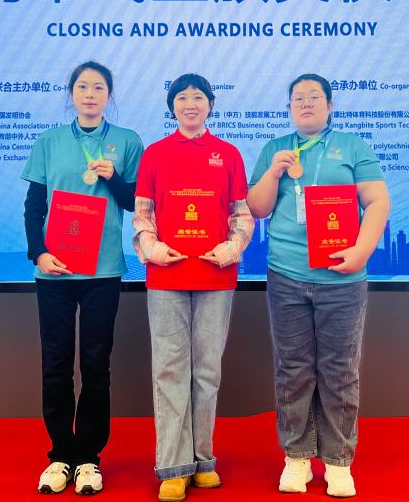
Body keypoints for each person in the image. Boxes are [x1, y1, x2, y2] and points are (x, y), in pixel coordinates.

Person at [246, 74, 390, 498]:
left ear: (330, 105)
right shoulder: (275, 148)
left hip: (342, 279)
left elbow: (377, 201)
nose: (306, 103)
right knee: (292, 369)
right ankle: (296, 457)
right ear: (289, 107)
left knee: (339, 370)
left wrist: (362, 251)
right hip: (287, 275)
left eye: (314, 97)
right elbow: (257, 208)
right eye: (298, 99)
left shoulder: (353, 147)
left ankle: (339, 461)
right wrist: (274, 172)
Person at [21, 61, 144, 495]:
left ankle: (89, 457)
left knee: (95, 364)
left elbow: (136, 201)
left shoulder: (127, 141)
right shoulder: (49, 141)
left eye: (98, 87)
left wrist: (115, 180)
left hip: (103, 270)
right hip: (55, 270)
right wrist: (38, 253)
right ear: (71, 93)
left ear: (109, 95)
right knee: (55, 365)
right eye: (82, 87)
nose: (90, 94)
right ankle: (60, 455)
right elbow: (34, 206)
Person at [132, 73, 254, 502]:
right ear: (172, 107)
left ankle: (203, 460)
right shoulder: (155, 154)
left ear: (210, 105)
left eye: (198, 97)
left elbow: (242, 216)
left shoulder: (228, 154)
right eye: (182, 97)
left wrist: (230, 248)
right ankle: (173, 465)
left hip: (215, 276)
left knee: (207, 371)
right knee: (169, 370)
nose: (190, 104)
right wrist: (152, 248)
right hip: (166, 277)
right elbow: (143, 216)